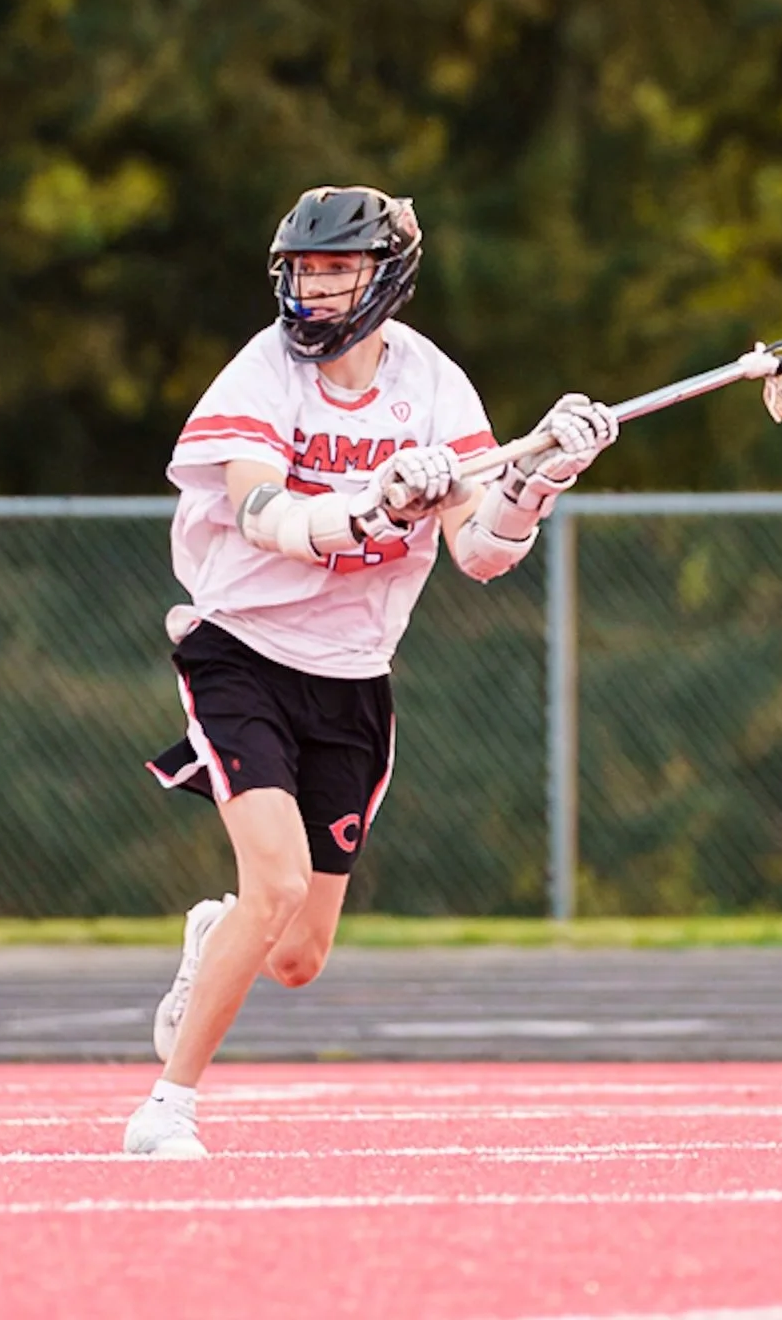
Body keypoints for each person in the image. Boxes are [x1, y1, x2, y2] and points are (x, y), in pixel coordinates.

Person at [124, 185, 617, 1158]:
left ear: (385, 277)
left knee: (298, 956)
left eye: (337, 271)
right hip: (242, 649)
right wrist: (368, 505)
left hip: (353, 674)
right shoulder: (262, 373)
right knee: (273, 883)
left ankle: (215, 937)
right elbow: (261, 512)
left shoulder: (433, 388)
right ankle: (167, 1108)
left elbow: (481, 549)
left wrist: (538, 478)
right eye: (304, 272)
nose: (314, 291)